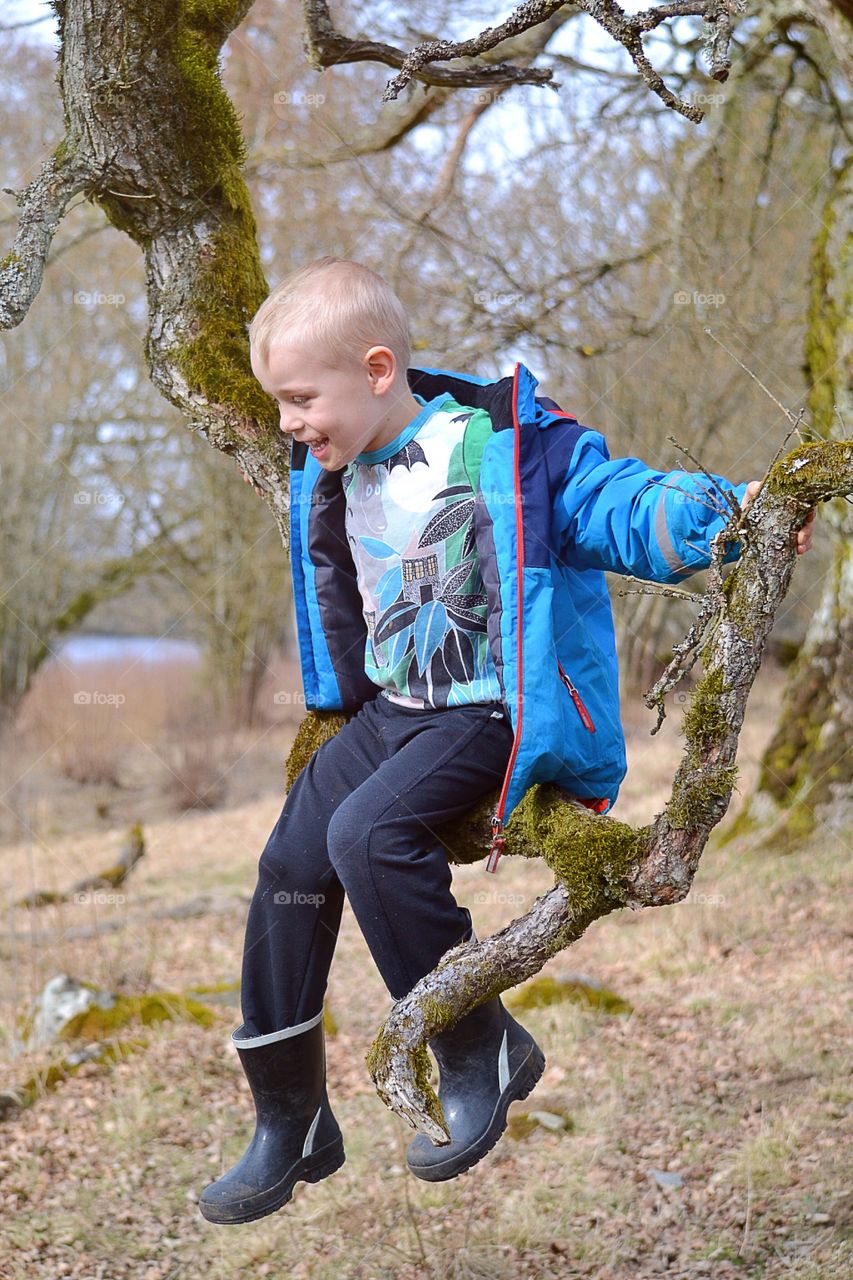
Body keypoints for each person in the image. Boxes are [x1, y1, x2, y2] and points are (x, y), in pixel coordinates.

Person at [199, 257, 815, 1225]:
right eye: (277, 402)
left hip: (489, 707)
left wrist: (728, 516)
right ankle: (290, 1115)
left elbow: (616, 505)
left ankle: (476, 1038)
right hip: (395, 709)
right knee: (290, 855)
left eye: (297, 397)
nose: (286, 422)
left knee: (368, 834)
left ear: (374, 369)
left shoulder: (503, 447)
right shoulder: (331, 466)